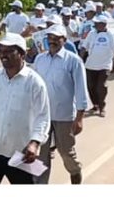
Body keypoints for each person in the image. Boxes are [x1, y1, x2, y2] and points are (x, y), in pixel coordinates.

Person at [32, 24, 88, 183]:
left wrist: (79, 118)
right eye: (50, 38)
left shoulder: (73, 61)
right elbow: (33, 85)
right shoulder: (40, 59)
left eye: (57, 38)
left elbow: (81, 90)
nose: (53, 41)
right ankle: (40, 184)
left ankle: (75, 172)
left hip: (64, 116)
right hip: (42, 115)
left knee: (66, 152)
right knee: (40, 154)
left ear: (64, 40)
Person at [81, 14, 114, 117]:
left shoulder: (111, 35)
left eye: (97, 23)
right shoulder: (91, 34)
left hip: (105, 65)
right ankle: (95, 105)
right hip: (91, 64)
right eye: (95, 23)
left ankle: (102, 107)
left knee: (101, 86)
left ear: (104, 24)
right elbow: (84, 47)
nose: (95, 25)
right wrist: (80, 59)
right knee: (90, 86)